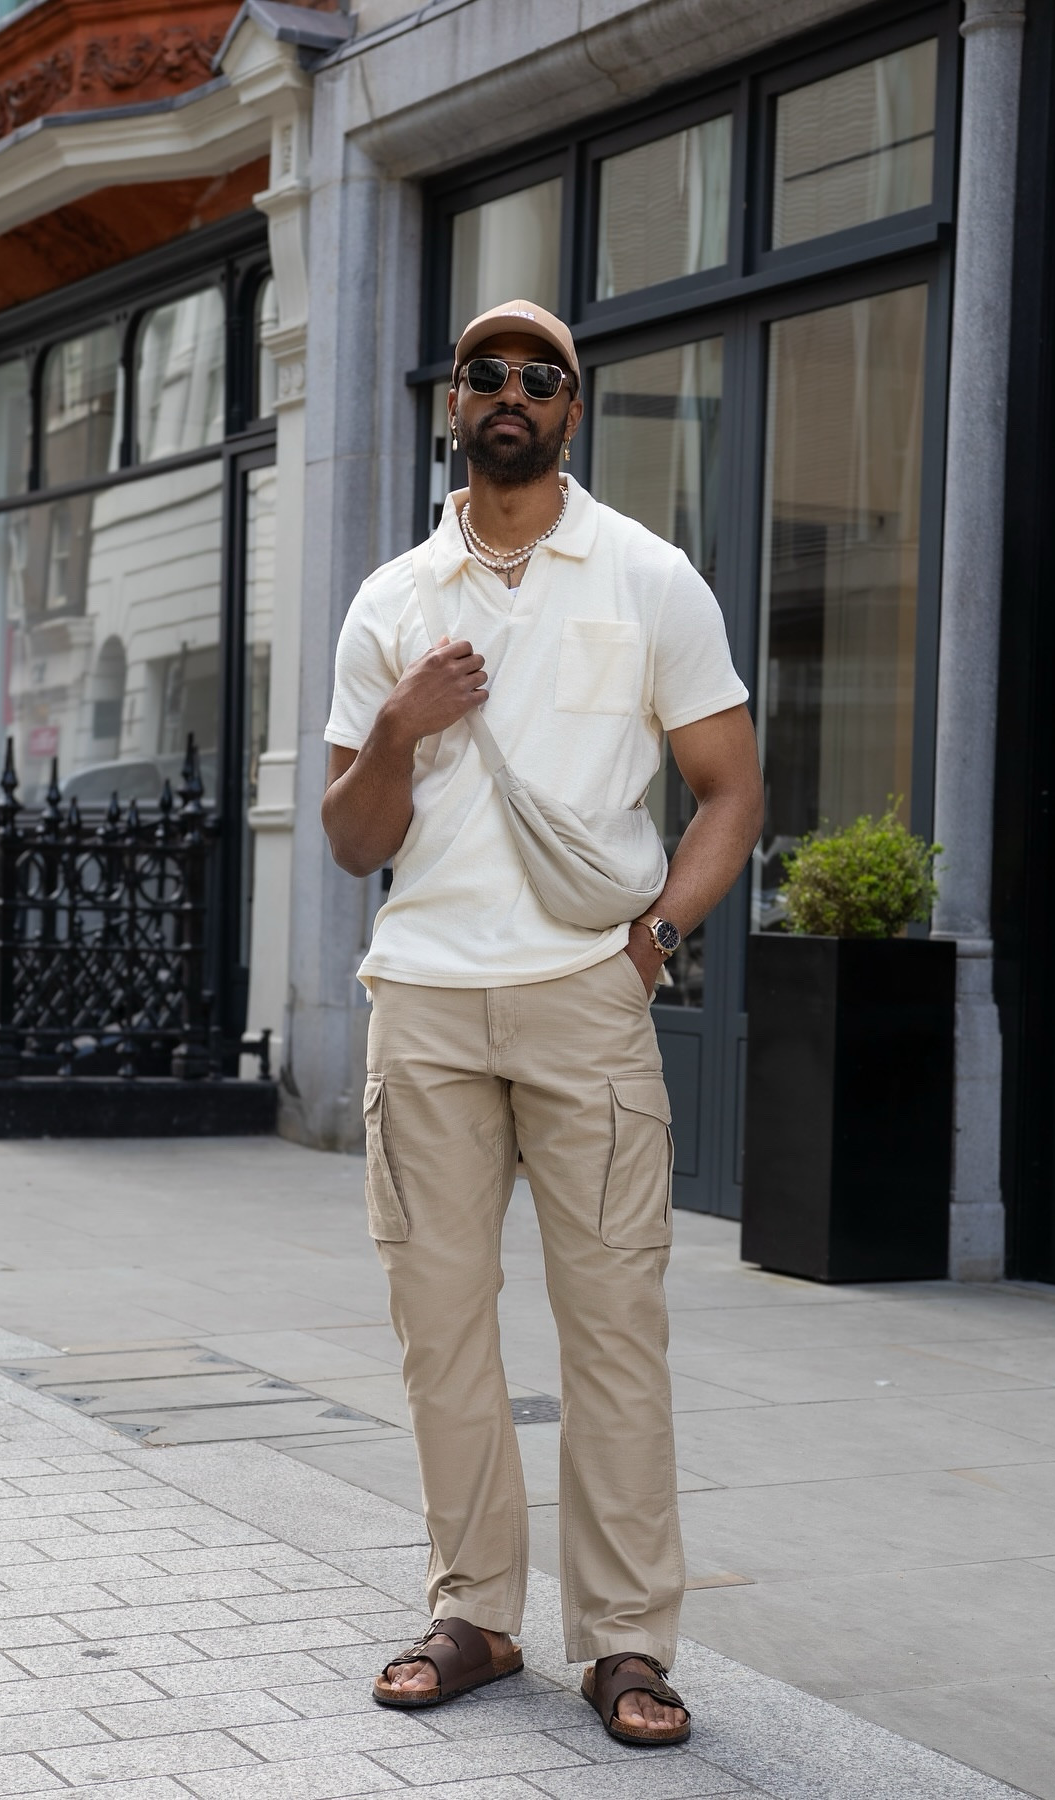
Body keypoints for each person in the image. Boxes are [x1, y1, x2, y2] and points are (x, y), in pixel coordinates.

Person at [321, 299, 764, 1746]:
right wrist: (401, 724)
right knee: (439, 1328)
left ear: (575, 408)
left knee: (614, 1326)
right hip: (430, 1001)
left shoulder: (648, 577)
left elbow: (730, 789)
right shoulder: (392, 598)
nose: (511, 392)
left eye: (541, 375)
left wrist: (656, 942)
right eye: (485, 372)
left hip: (587, 995)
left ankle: (629, 1644)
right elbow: (348, 838)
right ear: (452, 400)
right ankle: (475, 1613)